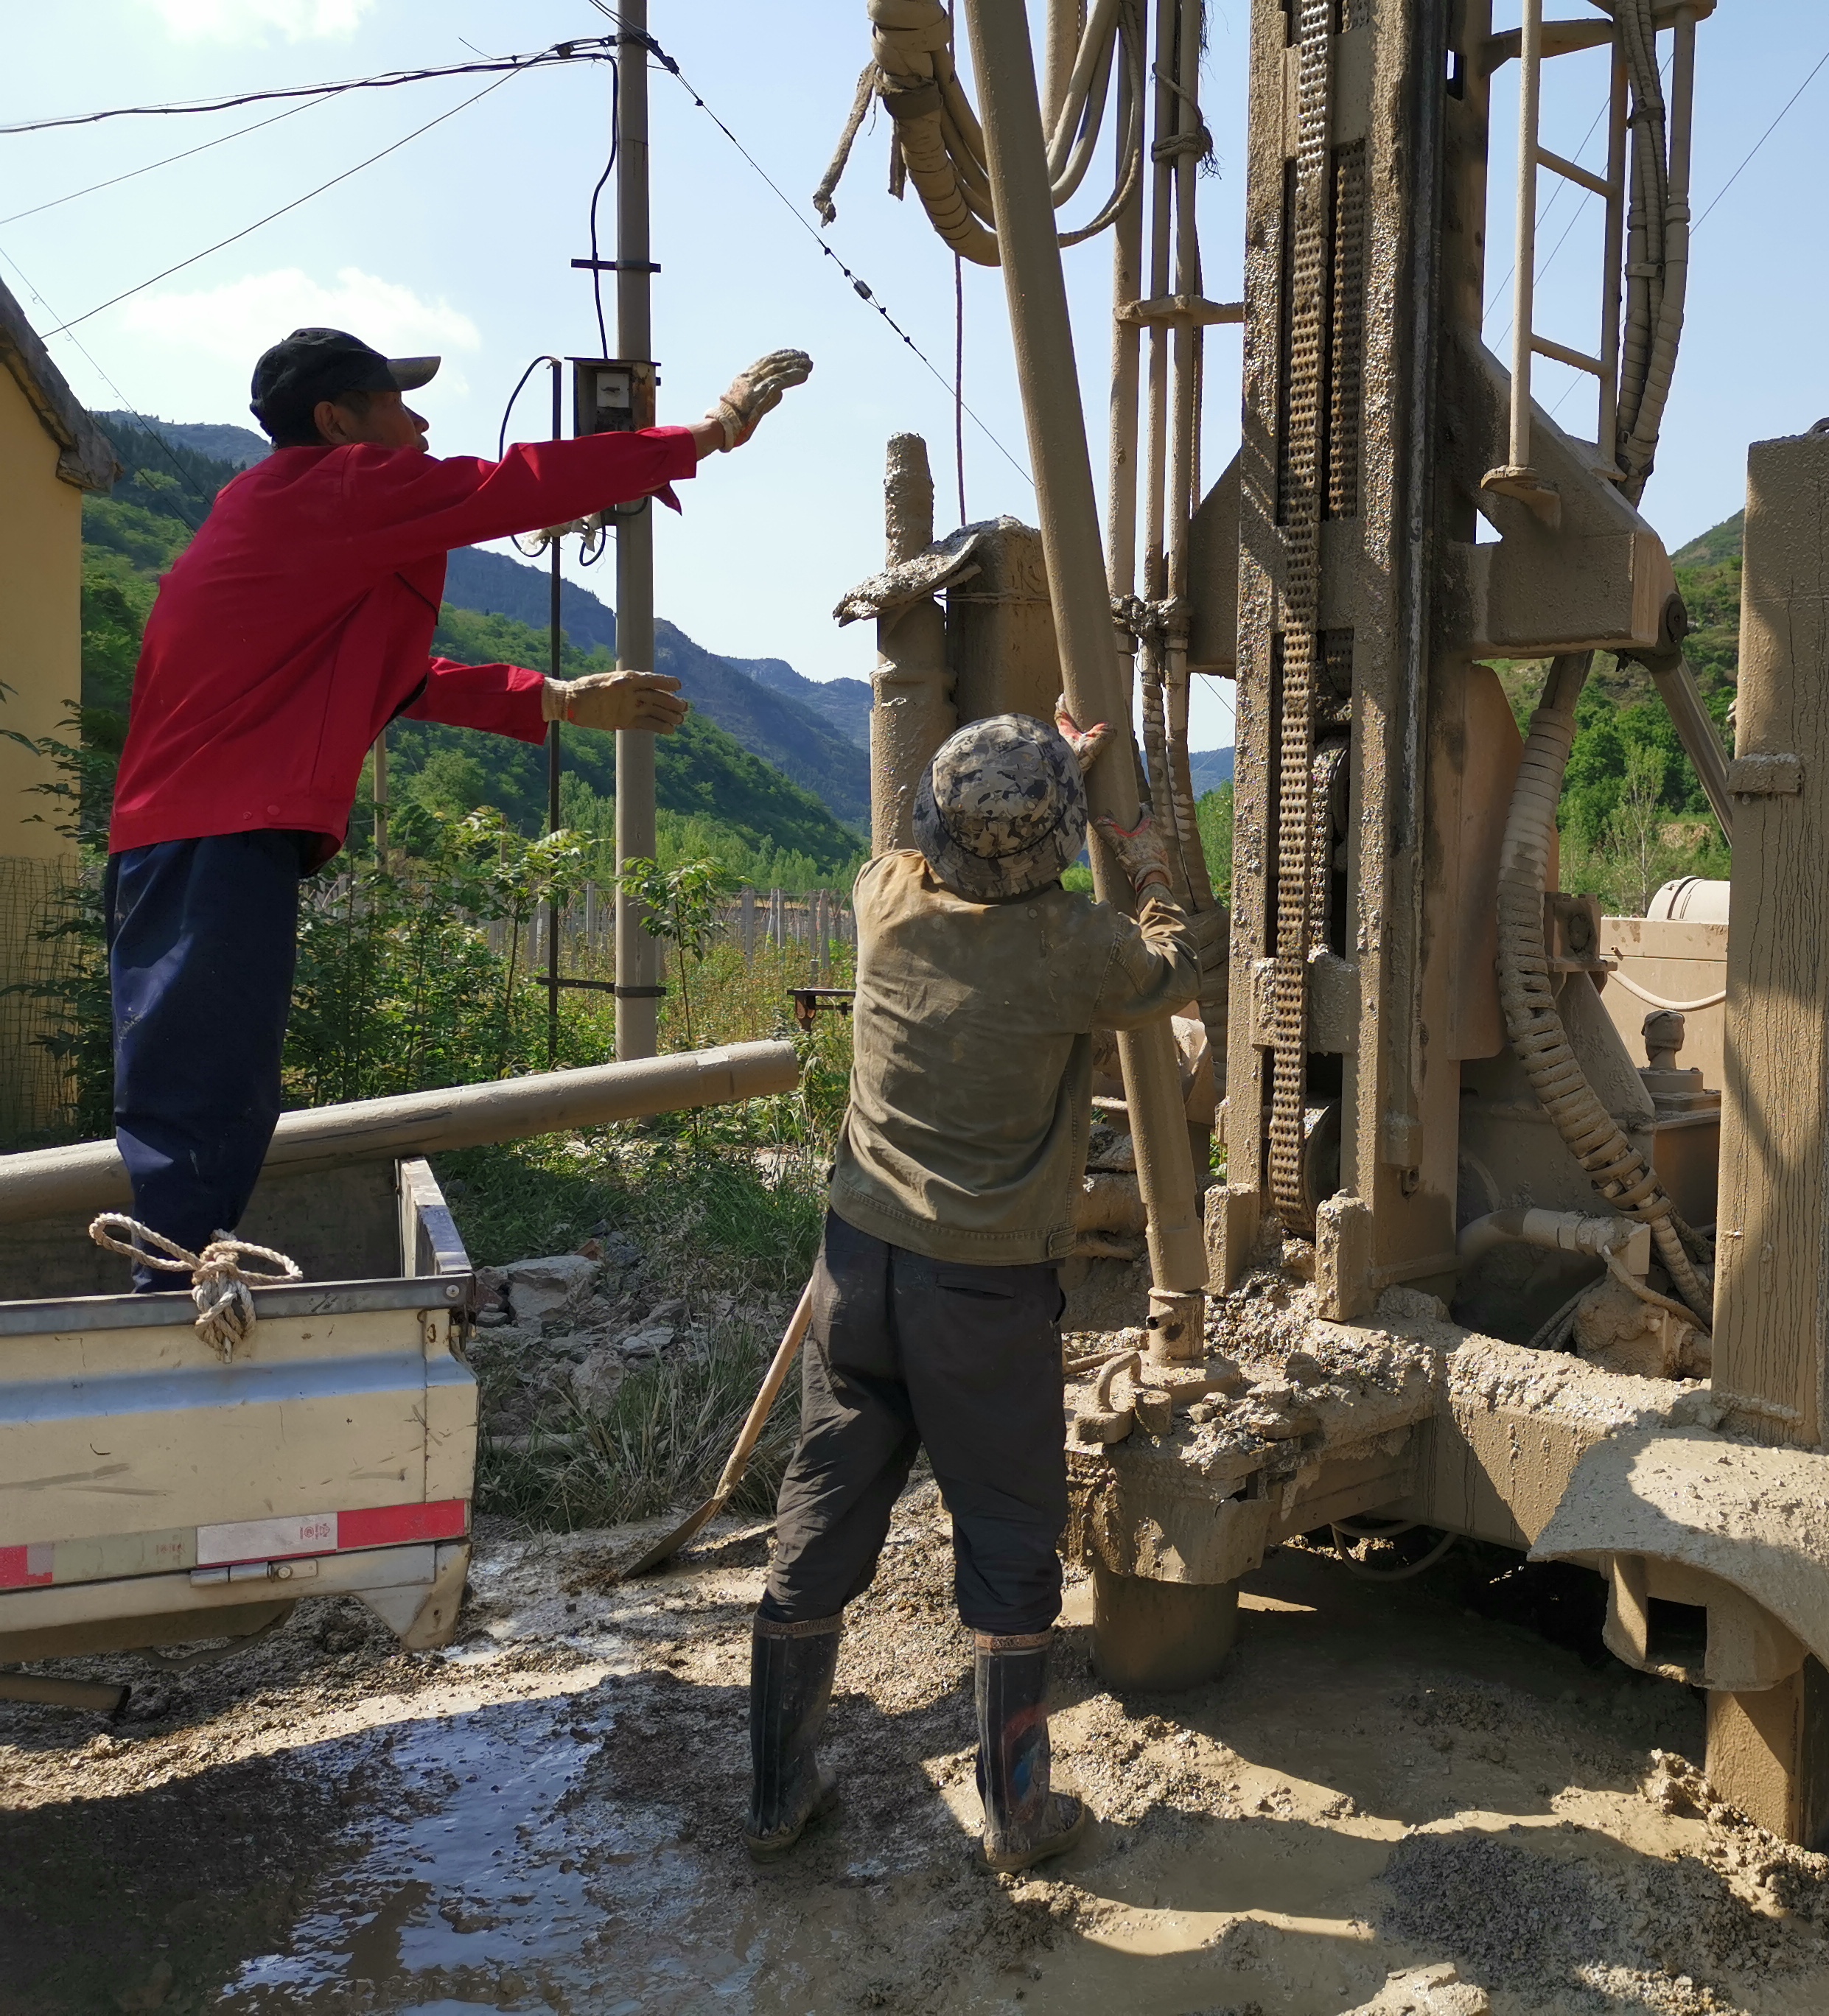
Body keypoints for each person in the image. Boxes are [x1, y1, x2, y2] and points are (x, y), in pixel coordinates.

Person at [103, 327, 809, 1284]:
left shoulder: (291, 522)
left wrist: (552, 699)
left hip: (191, 833)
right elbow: (509, 485)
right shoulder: (332, 489)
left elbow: (394, 677)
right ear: (336, 421)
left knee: (215, 1085)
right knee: (203, 1090)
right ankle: (171, 1308)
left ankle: (179, 1288)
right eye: (396, 402)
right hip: (211, 835)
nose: (422, 420)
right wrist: (706, 435)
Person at [749, 708, 1197, 1867]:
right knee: (1007, 1536)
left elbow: (924, 830)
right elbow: (1175, 954)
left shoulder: (883, 901)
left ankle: (778, 1797)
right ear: (1057, 837)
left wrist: (1018, 765)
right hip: (981, 1296)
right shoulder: (1075, 948)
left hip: (855, 1271)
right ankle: (1018, 1815)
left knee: (823, 1508)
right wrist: (1129, 819)